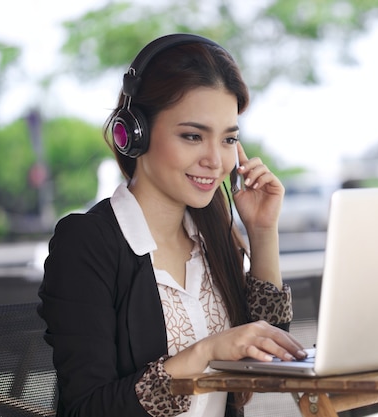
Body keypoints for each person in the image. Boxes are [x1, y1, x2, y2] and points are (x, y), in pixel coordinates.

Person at [38, 33, 307, 417]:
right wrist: (206, 352)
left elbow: (266, 355)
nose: (215, 160)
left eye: (228, 139)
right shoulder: (87, 242)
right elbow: (86, 408)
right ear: (135, 133)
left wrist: (262, 232)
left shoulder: (214, 230)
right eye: (193, 136)